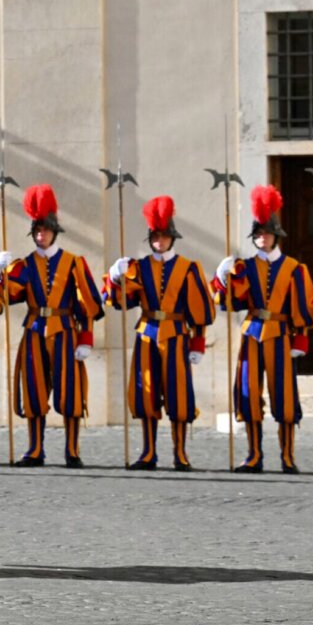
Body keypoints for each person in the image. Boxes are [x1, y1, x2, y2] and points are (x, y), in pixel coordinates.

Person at [0, 184, 104, 468]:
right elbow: (7, 296)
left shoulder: (74, 263)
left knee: (71, 392)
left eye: (45, 230)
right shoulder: (26, 264)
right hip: (34, 330)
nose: (41, 235)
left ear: (54, 231)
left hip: (65, 329)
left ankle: (72, 450)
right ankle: (35, 449)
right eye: (37, 231)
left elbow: (86, 302)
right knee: (34, 390)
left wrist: (86, 337)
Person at [213, 185, 313, 474]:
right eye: (258, 234)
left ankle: (287, 456)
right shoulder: (244, 267)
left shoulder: (295, 268)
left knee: (284, 396)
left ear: (276, 236)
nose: (262, 238)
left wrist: (301, 340)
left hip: (282, 334)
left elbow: (305, 309)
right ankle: (254, 454)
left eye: (266, 233)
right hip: (252, 333)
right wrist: (223, 279)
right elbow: (231, 303)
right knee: (248, 391)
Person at [104, 196, 215, 471]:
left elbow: (199, 309)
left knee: (179, 396)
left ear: (172, 238)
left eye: (164, 237)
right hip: (147, 334)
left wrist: (198, 342)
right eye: (155, 236)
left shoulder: (189, 268)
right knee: (146, 392)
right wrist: (117, 278)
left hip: (177, 334)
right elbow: (121, 301)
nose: (159, 241)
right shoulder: (138, 268)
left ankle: (180, 453)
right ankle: (148, 452)